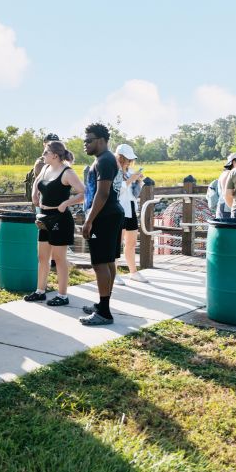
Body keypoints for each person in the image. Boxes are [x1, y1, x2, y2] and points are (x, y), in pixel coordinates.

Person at [24, 141, 85, 306]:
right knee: (42, 257)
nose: (43, 155)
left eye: (45, 152)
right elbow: (37, 181)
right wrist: (34, 195)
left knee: (59, 258)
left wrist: (66, 203)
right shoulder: (45, 168)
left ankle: (63, 295)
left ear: (55, 155)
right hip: (44, 217)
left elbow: (83, 193)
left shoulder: (67, 172)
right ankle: (40, 292)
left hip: (60, 218)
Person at [79, 123, 125, 325]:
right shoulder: (107, 160)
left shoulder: (104, 161)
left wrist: (89, 221)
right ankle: (103, 303)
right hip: (113, 214)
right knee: (108, 262)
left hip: (104, 217)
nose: (85, 144)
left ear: (101, 140)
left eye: (89, 141)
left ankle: (104, 312)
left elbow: (103, 192)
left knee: (99, 263)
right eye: (84, 141)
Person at [113, 144, 148, 285]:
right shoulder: (114, 171)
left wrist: (139, 181)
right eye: (127, 159)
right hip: (119, 209)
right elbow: (116, 191)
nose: (129, 161)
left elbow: (134, 193)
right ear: (120, 158)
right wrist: (131, 179)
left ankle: (133, 272)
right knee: (117, 243)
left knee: (132, 243)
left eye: (130, 159)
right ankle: (114, 273)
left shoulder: (130, 171)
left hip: (131, 209)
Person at [212, 152, 236, 219]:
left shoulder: (233, 173)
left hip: (231, 207)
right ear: (233, 162)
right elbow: (227, 194)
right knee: (227, 228)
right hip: (226, 208)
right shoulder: (227, 174)